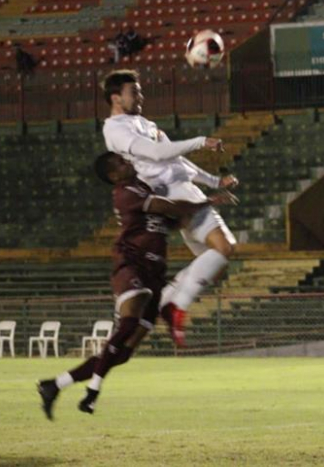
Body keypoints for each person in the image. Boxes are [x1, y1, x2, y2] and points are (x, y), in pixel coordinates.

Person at [36, 153, 237, 419]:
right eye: (121, 163)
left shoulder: (143, 187)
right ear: (113, 176)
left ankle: (54, 385)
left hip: (155, 274)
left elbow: (172, 219)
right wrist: (207, 200)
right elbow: (169, 207)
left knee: (124, 354)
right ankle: (93, 390)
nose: (128, 163)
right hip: (132, 265)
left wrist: (199, 211)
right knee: (129, 323)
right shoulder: (125, 192)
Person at [101, 69, 239, 346]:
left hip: (182, 188)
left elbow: (176, 161)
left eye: (140, 91)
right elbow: (156, 153)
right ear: (116, 98)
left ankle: (167, 300)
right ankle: (174, 304)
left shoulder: (145, 123)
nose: (140, 96)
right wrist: (200, 141)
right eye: (134, 92)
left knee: (217, 265)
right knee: (224, 248)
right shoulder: (115, 128)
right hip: (171, 192)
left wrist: (213, 181)